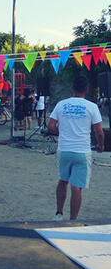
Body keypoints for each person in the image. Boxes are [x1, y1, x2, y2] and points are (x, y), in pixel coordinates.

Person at [48, 76, 104, 221]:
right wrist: (100, 144)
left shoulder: (61, 104)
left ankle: (58, 214)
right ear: (87, 89)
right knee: (76, 187)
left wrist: (61, 134)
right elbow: (99, 131)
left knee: (62, 181)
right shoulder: (92, 107)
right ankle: (73, 220)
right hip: (82, 151)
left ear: (72, 88)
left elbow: (50, 126)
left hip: (64, 149)